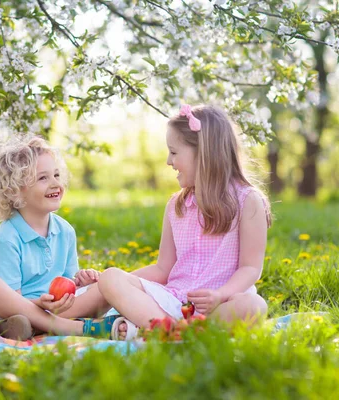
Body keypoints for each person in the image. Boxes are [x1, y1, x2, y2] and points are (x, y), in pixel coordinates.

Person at [98, 104, 272, 340]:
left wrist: (220, 295)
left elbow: (250, 268)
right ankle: (171, 330)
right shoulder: (176, 205)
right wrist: (125, 280)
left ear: (203, 153)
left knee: (254, 306)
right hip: (171, 302)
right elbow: (163, 268)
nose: (169, 161)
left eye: (174, 152)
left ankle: (169, 330)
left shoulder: (248, 201)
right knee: (111, 277)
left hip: (219, 305)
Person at [0, 134, 113, 340]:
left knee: (108, 283)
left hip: (52, 308)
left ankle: (33, 327)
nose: (55, 183)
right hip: (8, 310)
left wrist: (81, 282)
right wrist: (39, 304)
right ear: (15, 191)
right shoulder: (7, 238)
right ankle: (69, 328)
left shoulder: (65, 231)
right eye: (43, 178)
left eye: (56, 175)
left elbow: (67, 285)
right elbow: (11, 300)